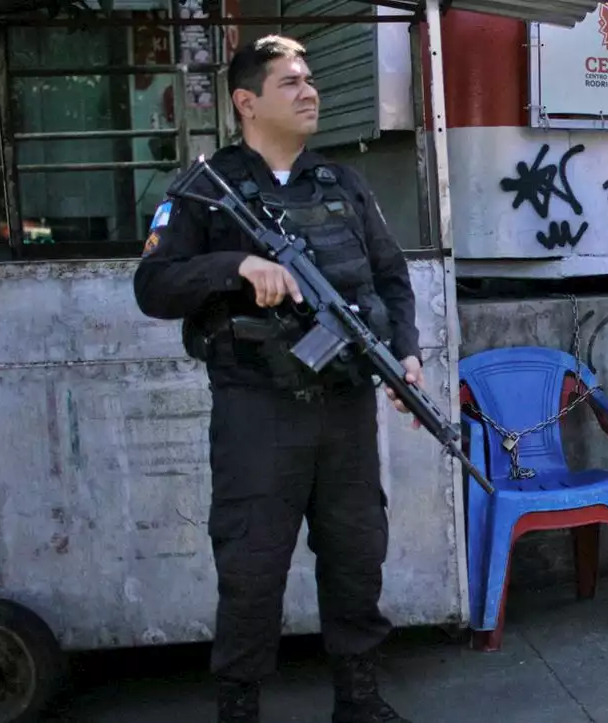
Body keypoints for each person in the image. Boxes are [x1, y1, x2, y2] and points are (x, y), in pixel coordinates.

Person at [133, 35, 418, 723]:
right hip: (257, 408)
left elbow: (390, 277)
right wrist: (233, 268)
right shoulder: (206, 189)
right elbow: (154, 283)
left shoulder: (342, 184)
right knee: (252, 563)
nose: (310, 91)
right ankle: (239, 703)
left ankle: (358, 695)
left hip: (344, 404)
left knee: (356, 551)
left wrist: (403, 353)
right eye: (290, 82)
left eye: (311, 79)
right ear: (246, 101)